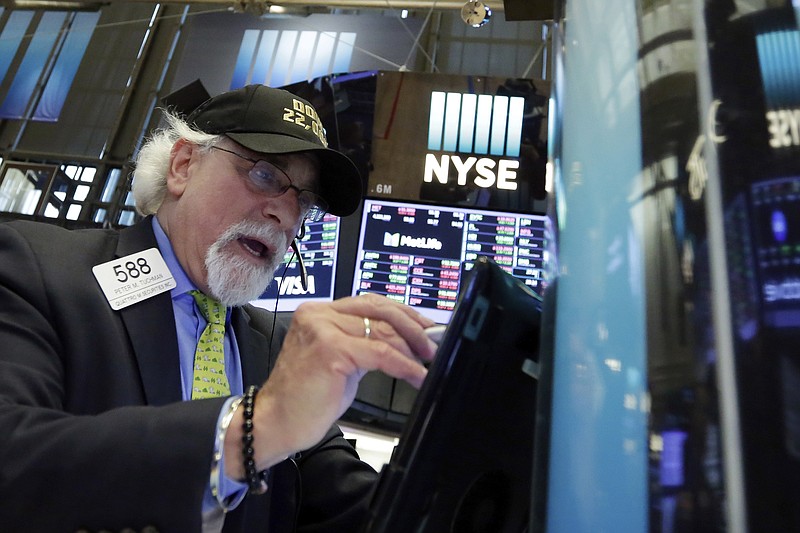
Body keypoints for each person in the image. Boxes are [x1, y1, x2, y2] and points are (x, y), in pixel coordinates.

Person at [0, 84, 437, 532]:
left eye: (304, 201)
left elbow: (352, 508)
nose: (286, 216)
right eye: (265, 174)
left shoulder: (276, 344)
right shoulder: (39, 270)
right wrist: (252, 430)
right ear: (184, 166)